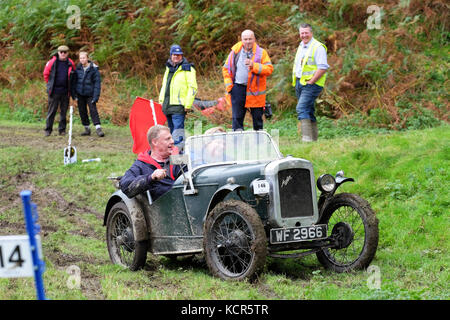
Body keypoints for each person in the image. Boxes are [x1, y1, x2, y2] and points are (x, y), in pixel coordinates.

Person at [223, 30, 273, 131]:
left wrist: (254, 65)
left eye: (250, 39)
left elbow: (269, 69)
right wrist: (230, 87)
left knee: (257, 119)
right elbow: (226, 69)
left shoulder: (261, 53)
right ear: (241, 40)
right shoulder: (235, 52)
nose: (248, 41)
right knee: (237, 118)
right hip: (238, 88)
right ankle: (237, 141)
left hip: (256, 91)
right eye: (245, 39)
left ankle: (259, 142)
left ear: (254, 39)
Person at [120, 125, 183, 201]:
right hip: (164, 208)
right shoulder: (141, 164)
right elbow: (126, 186)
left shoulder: (179, 156)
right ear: (155, 142)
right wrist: (151, 178)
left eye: (171, 138)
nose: (172, 141)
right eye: (168, 139)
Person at [292, 23, 329, 142]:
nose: (304, 35)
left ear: (311, 33)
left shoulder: (318, 47)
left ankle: (306, 139)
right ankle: (314, 140)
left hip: (312, 83)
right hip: (299, 83)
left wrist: (312, 81)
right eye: (302, 33)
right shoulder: (301, 46)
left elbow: (323, 67)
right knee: (308, 109)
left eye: (306, 33)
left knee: (301, 108)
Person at [159, 44, 197, 152]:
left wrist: (188, 104)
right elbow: (164, 85)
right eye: (174, 55)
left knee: (178, 133)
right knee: (171, 133)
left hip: (179, 106)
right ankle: (172, 157)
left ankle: (179, 159)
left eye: (179, 55)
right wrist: (161, 101)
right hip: (168, 105)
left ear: (182, 56)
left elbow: (193, 87)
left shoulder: (188, 68)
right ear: (171, 55)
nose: (177, 57)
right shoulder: (168, 67)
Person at [43, 45, 76, 136]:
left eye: (65, 52)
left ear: (67, 53)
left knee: (63, 112)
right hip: (54, 92)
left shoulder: (70, 63)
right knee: (51, 111)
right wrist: (50, 85)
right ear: (58, 53)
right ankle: (48, 130)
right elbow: (46, 74)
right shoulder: (52, 62)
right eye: (61, 52)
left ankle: (62, 130)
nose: (63, 54)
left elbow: (73, 76)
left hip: (65, 92)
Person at [73, 51, 104, 137]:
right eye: (80, 58)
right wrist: (74, 94)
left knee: (93, 110)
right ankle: (87, 129)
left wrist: (96, 96)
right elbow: (74, 82)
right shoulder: (77, 68)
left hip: (90, 94)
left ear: (87, 58)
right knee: (82, 111)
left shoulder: (93, 69)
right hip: (80, 94)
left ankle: (98, 128)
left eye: (84, 58)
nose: (82, 59)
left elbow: (97, 84)